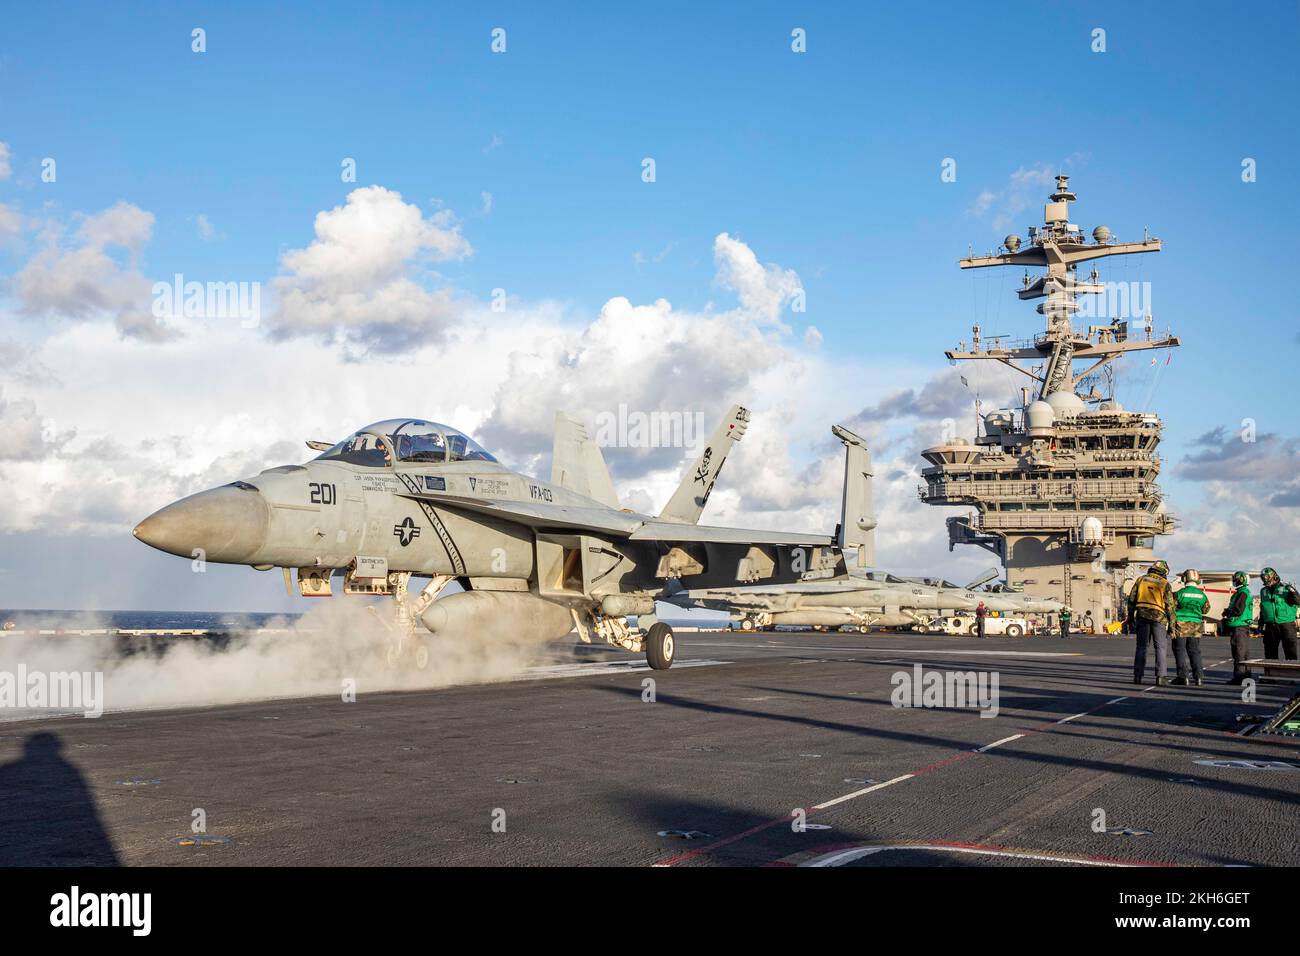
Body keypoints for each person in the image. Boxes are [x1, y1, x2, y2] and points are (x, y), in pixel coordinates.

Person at [1126, 559, 1176, 685]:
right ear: (1164, 571)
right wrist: (1172, 625)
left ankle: (1137, 676)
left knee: (1141, 647)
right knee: (1160, 647)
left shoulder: (1141, 580)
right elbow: (1170, 606)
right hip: (1158, 617)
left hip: (1142, 616)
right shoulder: (1165, 583)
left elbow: (1131, 599)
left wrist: (1130, 617)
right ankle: (1161, 677)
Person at [1170, 569, 1208, 686]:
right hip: (1196, 625)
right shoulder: (1202, 594)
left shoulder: (1180, 593)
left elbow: (1171, 607)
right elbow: (1206, 609)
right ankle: (1199, 678)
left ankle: (1183, 677)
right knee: (1194, 651)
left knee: (1180, 650)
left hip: (1181, 625)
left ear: (1184, 579)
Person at [1257, 567, 1299, 661]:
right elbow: (1263, 608)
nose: (1264, 579)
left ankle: (1291, 674)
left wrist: (1293, 591)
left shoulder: (1286, 588)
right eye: (1263, 577)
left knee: (1290, 653)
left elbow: (1298, 601)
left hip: (1287, 625)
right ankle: (1270, 674)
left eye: (1266, 577)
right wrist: (1261, 623)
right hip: (1270, 626)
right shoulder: (1263, 591)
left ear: (1273, 576)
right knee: (1269, 652)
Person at [1223, 570, 1254, 685]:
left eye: (1237, 579)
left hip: (1239, 625)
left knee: (1239, 652)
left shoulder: (1242, 593)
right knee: (1244, 652)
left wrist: (1228, 612)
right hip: (1242, 625)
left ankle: (1239, 677)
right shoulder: (1242, 592)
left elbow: (1238, 610)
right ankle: (1246, 676)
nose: (1235, 581)